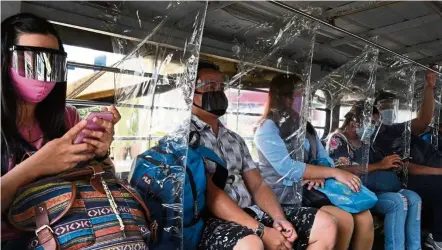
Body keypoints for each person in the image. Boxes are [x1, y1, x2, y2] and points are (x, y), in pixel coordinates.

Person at [1, 13, 121, 249]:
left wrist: (100, 153)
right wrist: (37, 165)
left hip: (68, 233)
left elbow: (104, 181)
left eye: (51, 62)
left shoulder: (69, 118)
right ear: (4, 61)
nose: (42, 72)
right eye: (29, 61)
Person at [192, 62, 338, 250]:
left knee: (327, 225)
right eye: (210, 87)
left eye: (221, 88)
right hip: (215, 220)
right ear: (190, 92)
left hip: (253, 211)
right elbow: (211, 194)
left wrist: (279, 219)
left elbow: (258, 185)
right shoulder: (187, 139)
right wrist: (261, 231)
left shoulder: (234, 139)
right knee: (252, 244)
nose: (218, 93)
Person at [254, 74, 374, 250]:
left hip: (311, 190)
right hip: (284, 197)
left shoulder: (307, 128)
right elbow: (287, 169)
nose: (306, 101)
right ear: (285, 98)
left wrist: (320, 172)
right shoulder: (267, 128)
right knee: (344, 220)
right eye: (301, 96)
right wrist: (332, 173)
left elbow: (325, 158)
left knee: (365, 217)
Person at [327, 102, 422, 250]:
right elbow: (341, 169)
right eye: (371, 122)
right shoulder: (338, 140)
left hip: (373, 187)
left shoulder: (366, 142)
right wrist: (380, 166)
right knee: (397, 202)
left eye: (375, 123)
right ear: (355, 121)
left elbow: (377, 165)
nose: (373, 127)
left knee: (414, 199)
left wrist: (393, 165)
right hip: (354, 191)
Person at [368, 71, 442, 249]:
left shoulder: (397, 129)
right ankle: (437, 238)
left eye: (392, 106)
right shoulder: (376, 140)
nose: (388, 111)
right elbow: (406, 167)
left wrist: (429, 88)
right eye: (384, 107)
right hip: (414, 178)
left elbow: (423, 120)